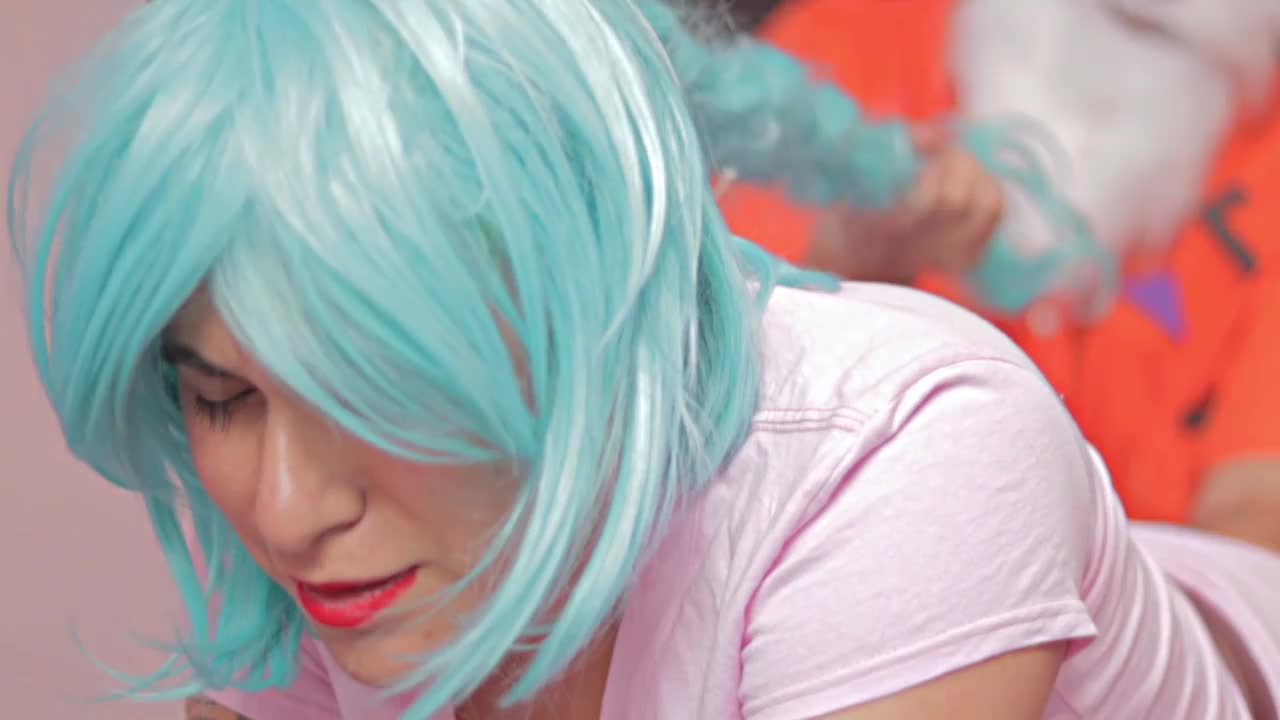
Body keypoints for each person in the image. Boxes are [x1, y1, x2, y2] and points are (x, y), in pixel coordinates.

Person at [9, 1, 1280, 718]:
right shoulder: (346, 571)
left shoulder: (914, 448)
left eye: (369, 386)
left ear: (587, 310)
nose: (286, 512)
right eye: (221, 396)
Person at [719, 0, 1280, 544]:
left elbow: (1257, 514)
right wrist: (846, 267)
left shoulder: (1264, 158)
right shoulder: (845, 44)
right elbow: (710, 405)